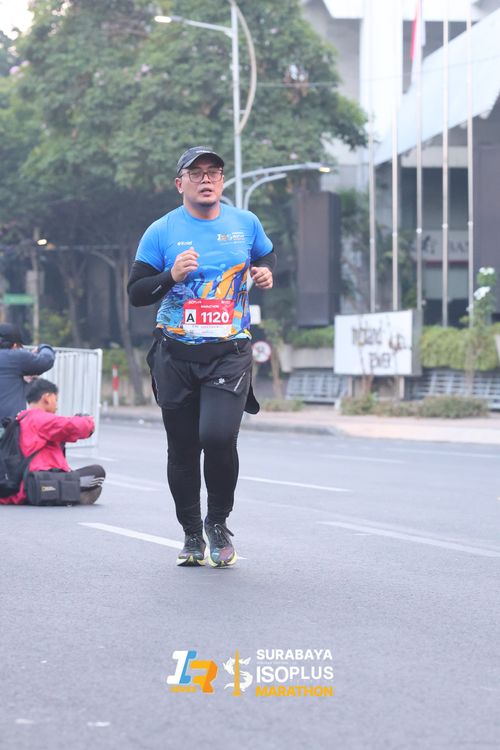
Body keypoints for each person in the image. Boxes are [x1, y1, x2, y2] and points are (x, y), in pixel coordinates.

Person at [128, 146, 275, 568]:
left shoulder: (245, 223)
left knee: (217, 436)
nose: (206, 179)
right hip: (174, 355)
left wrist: (265, 271)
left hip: (229, 352)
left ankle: (217, 521)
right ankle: (191, 532)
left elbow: (265, 254)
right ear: (180, 184)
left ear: (222, 181)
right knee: (183, 447)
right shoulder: (161, 231)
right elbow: (136, 292)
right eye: (196, 173)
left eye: (214, 172)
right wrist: (171, 275)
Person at [0, 378, 105, 506]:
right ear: (47, 398)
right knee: (98, 472)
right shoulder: (39, 418)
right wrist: (88, 421)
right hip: (35, 483)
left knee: (90, 483)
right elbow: (72, 426)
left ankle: (70, 492)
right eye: (56, 399)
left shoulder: (23, 418)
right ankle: (70, 492)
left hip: (22, 485)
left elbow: (63, 428)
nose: (57, 405)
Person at [0, 323, 55, 422]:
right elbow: (46, 361)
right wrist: (43, 347)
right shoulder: (16, 356)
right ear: (15, 345)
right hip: (7, 425)